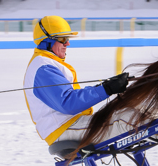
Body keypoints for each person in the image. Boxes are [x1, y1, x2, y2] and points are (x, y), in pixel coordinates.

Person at [24, 16, 132, 146]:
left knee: (126, 113)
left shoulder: (48, 63)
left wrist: (105, 86)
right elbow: (68, 102)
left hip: (69, 124)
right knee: (127, 120)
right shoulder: (44, 68)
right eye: (63, 39)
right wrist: (106, 89)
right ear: (46, 42)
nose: (67, 43)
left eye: (67, 39)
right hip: (63, 129)